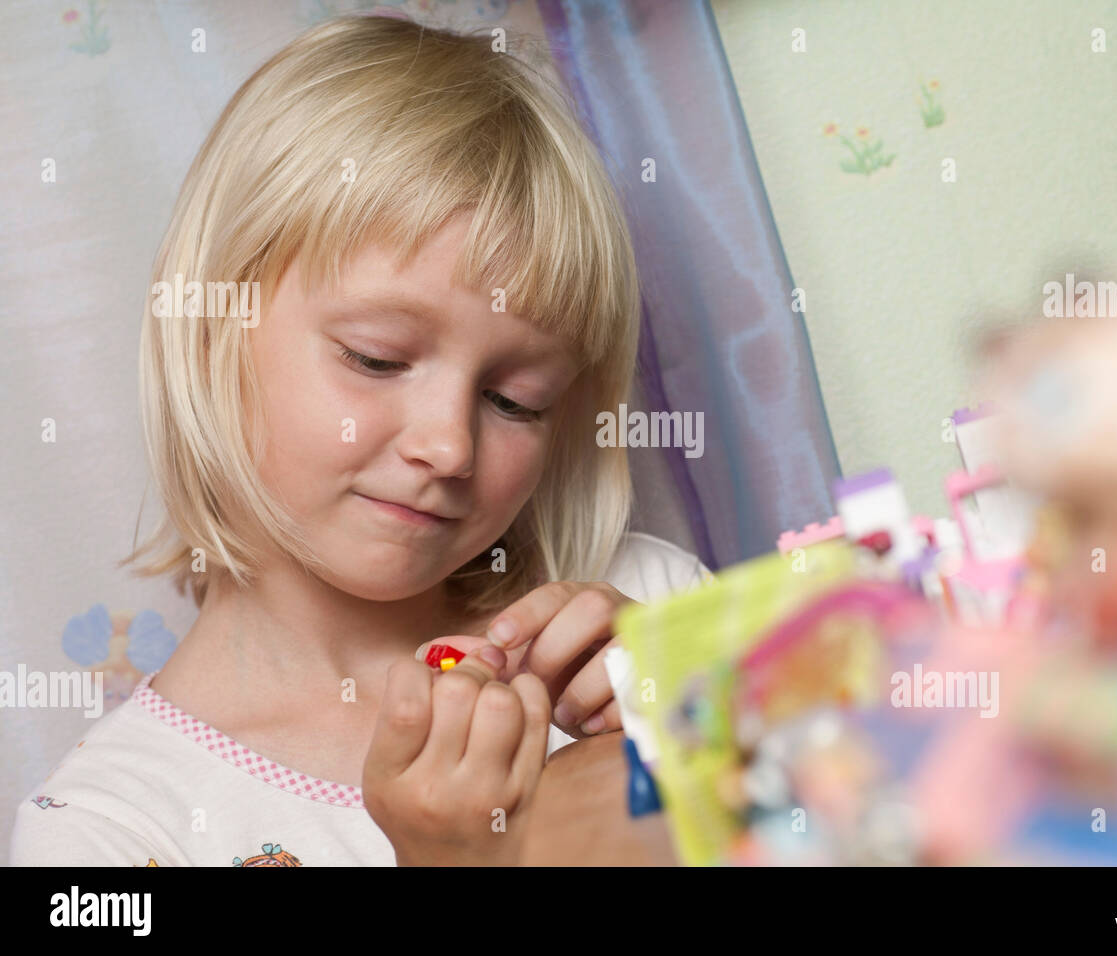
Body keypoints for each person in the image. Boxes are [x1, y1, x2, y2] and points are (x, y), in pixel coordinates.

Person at [10, 14, 710, 867]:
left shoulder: (649, 616)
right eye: (376, 359)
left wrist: (715, 734)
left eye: (513, 400)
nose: (448, 446)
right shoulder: (106, 832)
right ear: (208, 332)